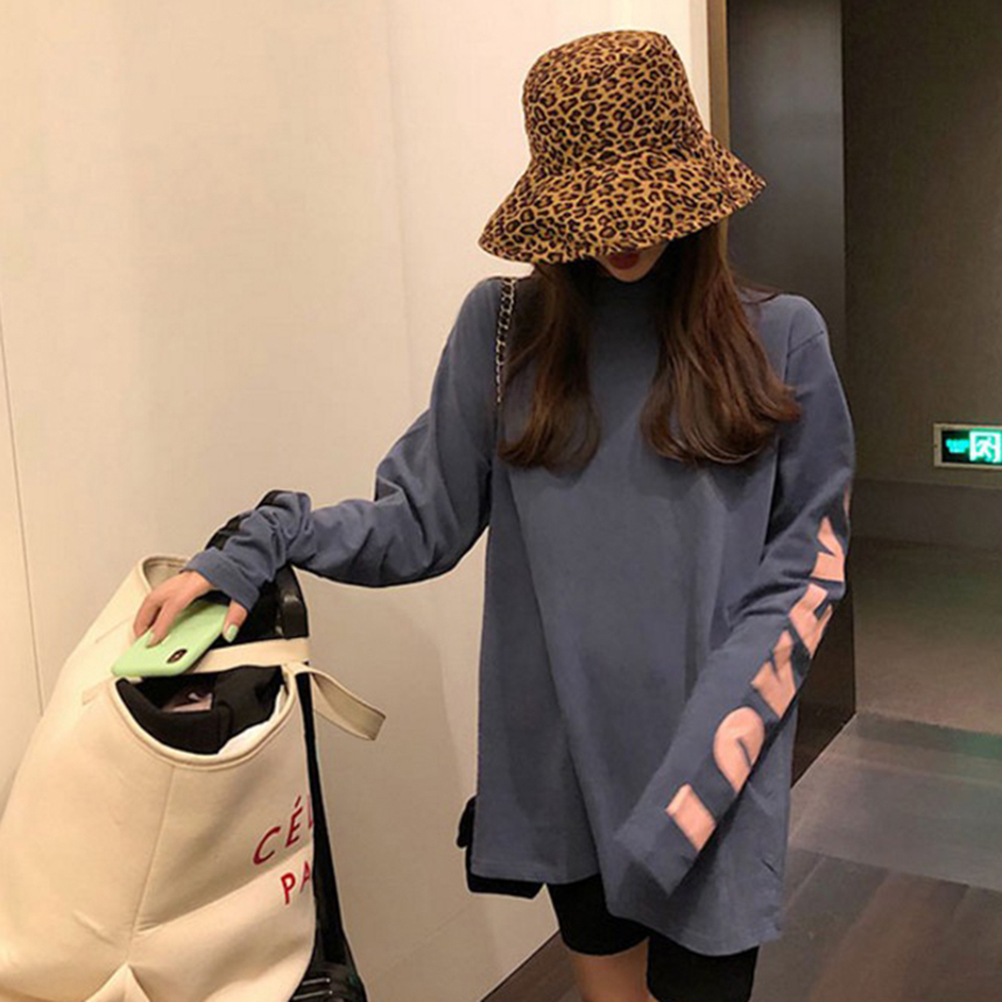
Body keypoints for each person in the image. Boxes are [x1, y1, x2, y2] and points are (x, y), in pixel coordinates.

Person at [133, 29, 854, 1002]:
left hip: (713, 772)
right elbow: (418, 521)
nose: (622, 231)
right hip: (567, 766)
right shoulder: (507, 331)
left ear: (689, 193)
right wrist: (263, 541)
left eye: (643, 200)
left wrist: (703, 775)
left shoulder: (781, 339)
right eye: (594, 206)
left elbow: (806, 574)